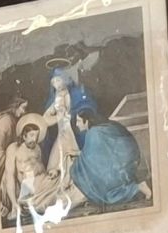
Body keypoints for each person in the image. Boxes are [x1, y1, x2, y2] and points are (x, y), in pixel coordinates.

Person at [37, 60, 145, 213]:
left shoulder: (76, 95)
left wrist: (73, 115)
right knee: (58, 163)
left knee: (78, 160)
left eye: (58, 80)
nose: (56, 84)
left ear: (65, 79)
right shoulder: (55, 99)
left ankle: (80, 188)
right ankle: (65, 189)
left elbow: (86, 107)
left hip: (74, 134)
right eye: (53, 81)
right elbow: (45, 119)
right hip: (63, 133)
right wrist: (58, 117)